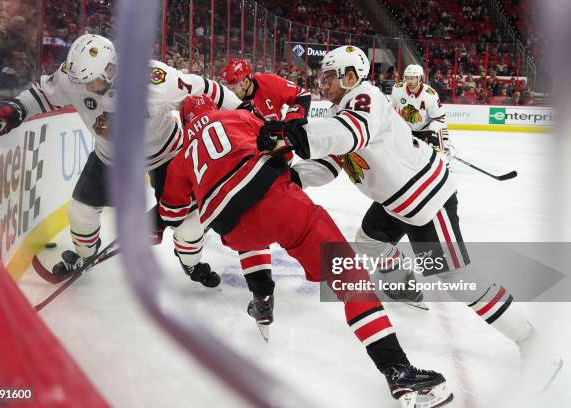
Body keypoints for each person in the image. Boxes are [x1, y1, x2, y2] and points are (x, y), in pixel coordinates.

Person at [259, 45, 562, 394]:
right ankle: (407, 287)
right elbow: (332, 161)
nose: (322, 84)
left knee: (454, 275)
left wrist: (293, 134)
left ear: (350, 76)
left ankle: (536, 347)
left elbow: (349, 133)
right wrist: (292, 177)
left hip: (424, 197)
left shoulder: (365, 98)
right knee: (370, 241)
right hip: (396, 199)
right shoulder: (343, 109)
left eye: (328, 77)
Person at [159, 94, 453, 408]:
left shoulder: (180, 157)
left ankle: (262, 299)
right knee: (352, 282)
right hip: (280, 206)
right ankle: (398, 371)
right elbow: (277, 148)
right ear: (212, 109)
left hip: (233, 231)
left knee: (250, 231)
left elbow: (174, 215)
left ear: (186, 121)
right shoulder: (234, 117)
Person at [0, 34, 242, 287]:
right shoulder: (75, 76)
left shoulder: (154, 80)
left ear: (110, 69)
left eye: (92, 82)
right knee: (80, 212)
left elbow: (209, 90)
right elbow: (44, 95)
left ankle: (191, 262)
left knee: (187, 225)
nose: (84, 88)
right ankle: (83, 255)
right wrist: (17, 108)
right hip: (111, 158)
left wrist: (246, 115)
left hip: (167, 154)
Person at [218, 58, 312, 311]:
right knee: (247, 224)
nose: (232, 90)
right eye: (229, 85)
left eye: (236, 85)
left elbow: (302, 95)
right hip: (251, 167)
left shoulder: (270, 83)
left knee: (275, 219)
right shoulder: (229, 103)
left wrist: (291, 121)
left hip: (280, 160)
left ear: (247, 80)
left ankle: (267, 289)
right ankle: (262, 293)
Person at [390, 64, 454, 158]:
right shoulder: (397, 89)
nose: (409, 81)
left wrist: (433, 135)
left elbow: (439, 119)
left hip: (425, 129)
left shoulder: (430, 94)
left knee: (437, 148)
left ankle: (446, 147)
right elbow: (391, 110)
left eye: (412, 78)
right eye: (407, 78)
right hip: (406, 129)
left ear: (420, 79)